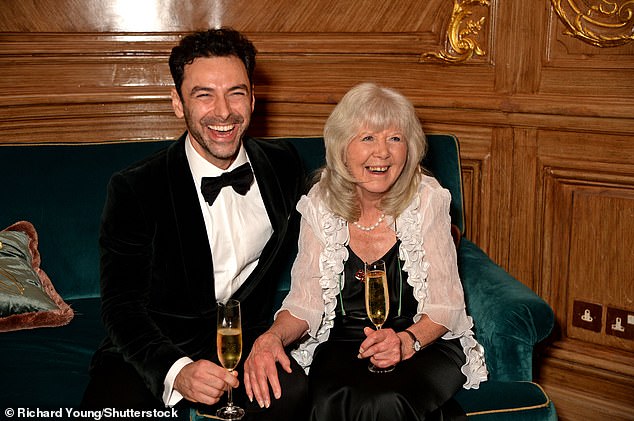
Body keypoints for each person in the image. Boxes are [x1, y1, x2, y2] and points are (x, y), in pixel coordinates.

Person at [81, 28, 308, 419]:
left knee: (298, 397)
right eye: (204, 94)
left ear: (253, 99)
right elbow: (121, 307)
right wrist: (177, 371)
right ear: (177, 103)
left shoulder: (283, 163)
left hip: (247, 345)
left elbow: (338, 211)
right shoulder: (135, 188)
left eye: (236, 92)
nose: (223, 112)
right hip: (155, 347)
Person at [244, 82, 488, 420]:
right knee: (330, 398)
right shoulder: (320, 203)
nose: (383, 153)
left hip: (422, 341)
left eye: (395, 138)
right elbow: (306, 302)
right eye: (367, 138)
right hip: (345, 343)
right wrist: (270, 338)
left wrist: (406, 341)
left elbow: (446, 305)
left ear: (410, 147)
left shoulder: (427, 199)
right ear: (343, 148)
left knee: (384, 401)